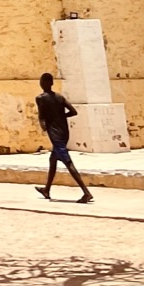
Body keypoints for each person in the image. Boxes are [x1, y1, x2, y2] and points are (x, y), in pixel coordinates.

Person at [35, 72, 94, 203]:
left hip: (55, 134)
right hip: (64, 132)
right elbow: (73, 112)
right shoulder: (60, 97)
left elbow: (41, 117)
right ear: (52, 83)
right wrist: (61, 117)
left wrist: (45, 125)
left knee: (68, 163)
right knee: (53, 160)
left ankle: (86, 192)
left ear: (43, 83)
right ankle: (46, 190)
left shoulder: (40, 98)